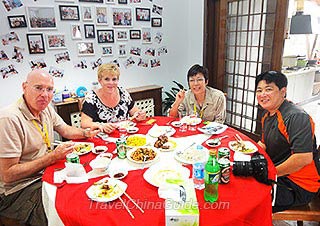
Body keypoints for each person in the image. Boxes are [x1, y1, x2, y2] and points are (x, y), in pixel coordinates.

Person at [0, 69, 100, 225]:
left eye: (49, 89)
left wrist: (86, 132)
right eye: (38, 88)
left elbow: (65, 130)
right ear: (24, 87)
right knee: (70, 206)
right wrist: (52, 157)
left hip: (46, 172)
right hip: (19, 189)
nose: (45, 95)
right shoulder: (8, 118)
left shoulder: (45, 108)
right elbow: (8, 175)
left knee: (87, 186)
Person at [255, 70, 320, 212]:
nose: (262, 94)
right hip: (280, 175)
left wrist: (270, 173)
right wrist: (247, 152)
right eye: (259, 90)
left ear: (283, 91)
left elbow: (303, 158)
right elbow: (264, 144)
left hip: (299, 185)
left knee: (250, 198)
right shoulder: (267, 115)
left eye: (269, 89)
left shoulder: (296, 117)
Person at [81, 63, 146, 134]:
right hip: (102, 138)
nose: (111, 83)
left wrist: (139, 115)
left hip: (124, 135)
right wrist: (101, 125)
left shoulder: (123, 92)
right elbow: (84, 124)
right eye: (107, 79)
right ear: (100, 81)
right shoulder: (91, 98)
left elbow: (135, 112)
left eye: (114, 79)